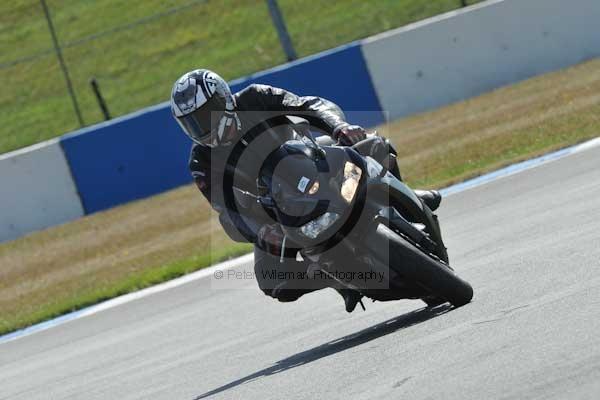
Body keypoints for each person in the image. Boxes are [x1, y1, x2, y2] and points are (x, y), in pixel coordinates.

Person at [170, 69, 441, 312]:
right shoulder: (201, 162)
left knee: (375, 146)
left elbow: (309, 105)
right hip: (275, 205)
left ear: (223, 98)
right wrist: (261, 232)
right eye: (192, 122)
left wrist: (339, 127)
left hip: (313, 161)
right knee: (272, 278)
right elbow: (227, 210)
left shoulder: (256, 97)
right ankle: (340, 280)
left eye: (205, 116)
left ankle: (410, 197)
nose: (202, 127)